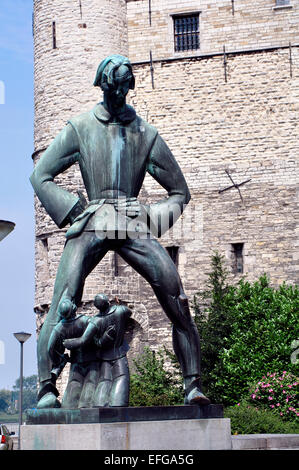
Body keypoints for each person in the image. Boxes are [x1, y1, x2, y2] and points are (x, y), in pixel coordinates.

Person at [30, 54, 210, 408]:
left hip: (131, 223)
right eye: (114, 85)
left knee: (177, 298)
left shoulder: (146, 134)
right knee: (61, 302)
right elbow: (40, 175)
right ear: (103, 84)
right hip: (93, 220)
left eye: (125, 85)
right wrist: (72, 208)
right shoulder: (80, 127)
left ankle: (192, 385)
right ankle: (46, 387)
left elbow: (180, 192)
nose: (119, 92)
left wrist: (146, 212)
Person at [63, 293, 131, 407]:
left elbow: (83, 340)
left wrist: (68, 343)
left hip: (104, 357)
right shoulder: (120, 311)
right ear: (108, 302)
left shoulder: (95, 321)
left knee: (104, 381)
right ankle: (118, 405)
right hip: (119, 354)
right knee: (121, 377)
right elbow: (129, 312)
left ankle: (99, 404)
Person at [48, 297, 116, 408]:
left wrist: (59, 359)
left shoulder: (59, 328)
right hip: (92, 362)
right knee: (89, 392)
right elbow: (97, 338)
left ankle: (69, 415)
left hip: (75, 363)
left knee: (71, 394)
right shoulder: (86, 320)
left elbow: (50, 348)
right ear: (73, 308)